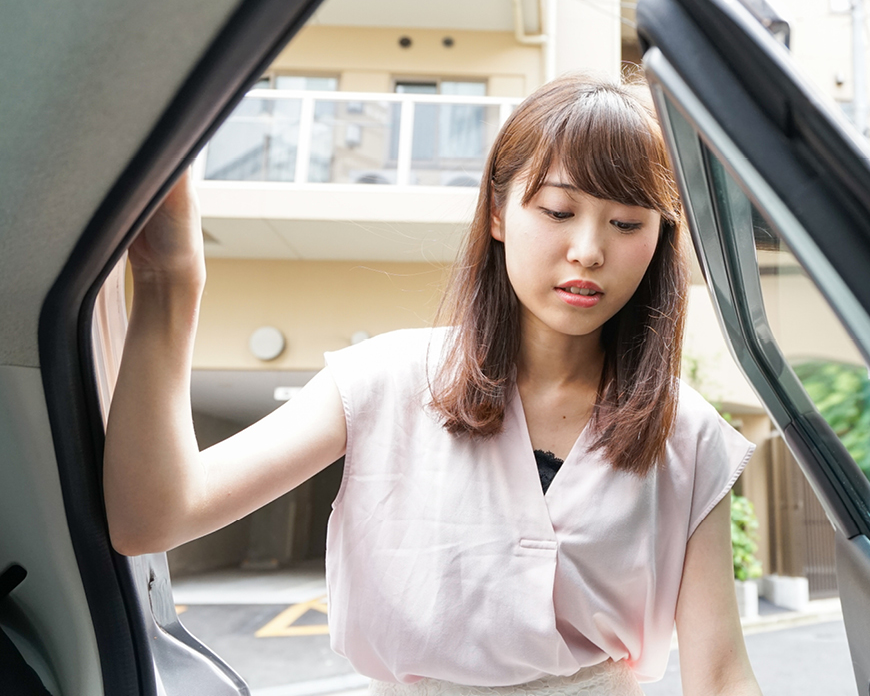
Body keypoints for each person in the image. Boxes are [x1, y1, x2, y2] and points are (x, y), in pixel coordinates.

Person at [103, 74, 762, 696]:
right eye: (559, 210)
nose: (589, 249)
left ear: (659, 240)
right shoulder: (384, 381)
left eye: (626, 223)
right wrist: (171, 281)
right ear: (499, 214)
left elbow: (720, 673)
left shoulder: (687, 433)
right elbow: (154, 517)